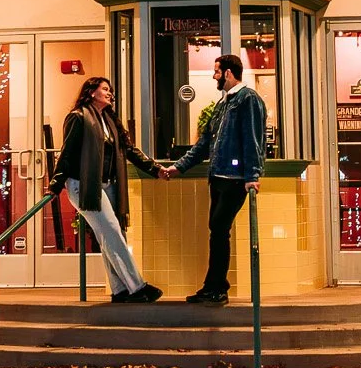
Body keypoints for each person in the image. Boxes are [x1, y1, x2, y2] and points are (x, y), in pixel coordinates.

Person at [48, 77, 167, 304]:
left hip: (108, 184)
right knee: (112, 231)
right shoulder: (79, 117)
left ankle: (119, 289)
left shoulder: (109, 120)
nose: (110, 93)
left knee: (110, 236)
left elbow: (129, 150)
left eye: (110, 90)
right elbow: (67, 152)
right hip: (84, 185)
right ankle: (137, 287)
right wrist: (55, 185)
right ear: (91, 92)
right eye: (105, 89)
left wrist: (155, 169)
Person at [172, 53, 266, 305]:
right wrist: (178, 167)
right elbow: (204, 143)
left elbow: (253, 139)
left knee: (219, 229)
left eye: (216, 72)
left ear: (227, 73)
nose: (214, 76)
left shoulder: (248, 100)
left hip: (235, 179)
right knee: (217, 231)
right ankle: (214, 285)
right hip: (218, 177)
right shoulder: (223, 104)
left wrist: (252, 176)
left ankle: (217, 287)